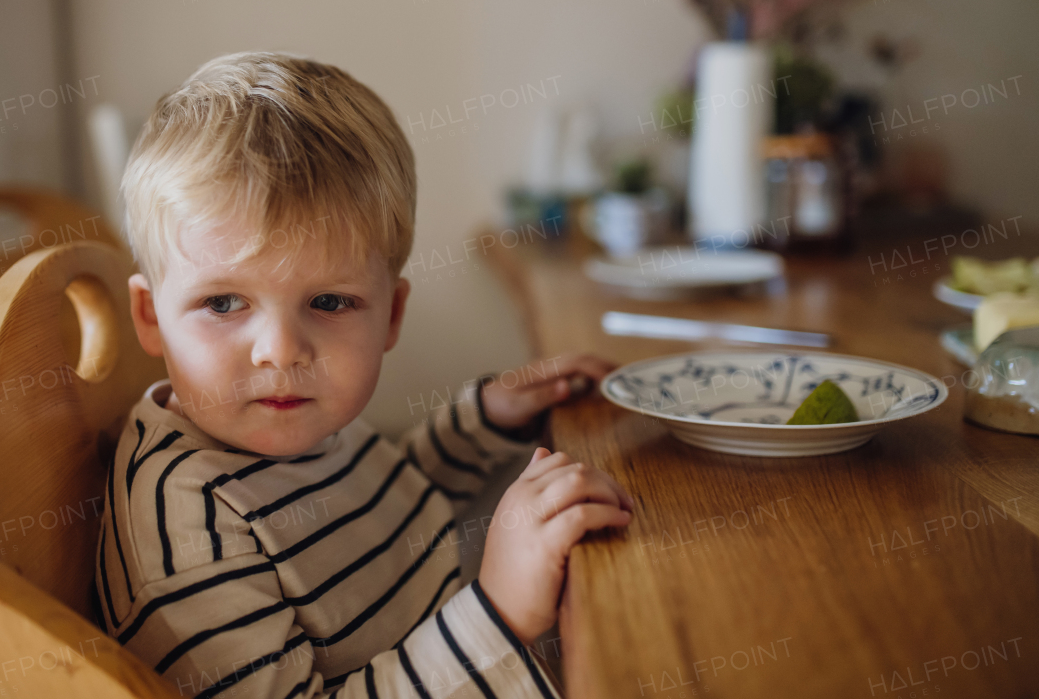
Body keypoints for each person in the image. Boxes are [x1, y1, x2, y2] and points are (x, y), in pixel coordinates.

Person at [94, 51, 635, 699]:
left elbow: (377, 507)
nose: (281, 351)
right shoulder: (187, 526)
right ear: (151, 317)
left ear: (391, 315)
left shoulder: (290, 419)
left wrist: (482, 423)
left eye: (328, 303)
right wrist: (499, 612)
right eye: (222, 303)